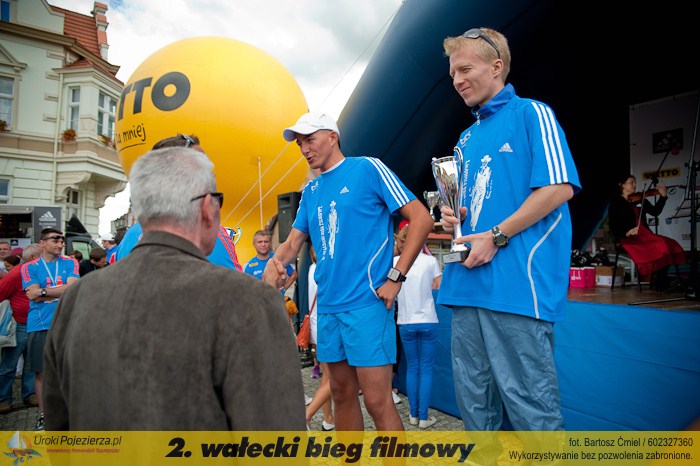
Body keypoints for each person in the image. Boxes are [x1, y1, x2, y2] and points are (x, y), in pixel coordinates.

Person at [43, 146, 306, 430]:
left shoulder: (77, 298)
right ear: (208, 209)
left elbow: (58, 427)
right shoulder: (249, 300)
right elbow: (276, 439)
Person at [438, 27, 580, 433]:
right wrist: (453, 218)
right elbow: (475, 207)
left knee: (532, 410)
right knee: (475, 407)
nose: (457, 80)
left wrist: (496, 235)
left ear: (496, 66)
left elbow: (559, 188)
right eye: (452, 74)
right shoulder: (466, 137)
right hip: (465, 284)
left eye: (465, 69)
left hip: (516, 287)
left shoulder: (532, 113)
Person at [263, 111, 433, 431]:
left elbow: (421, 218)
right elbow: (292, 243)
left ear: (332, 137)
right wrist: (273, 266)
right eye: (300, 144)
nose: (304, 149)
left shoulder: (367, 168)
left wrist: (396, 277)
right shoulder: (311, 191)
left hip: (366, 304)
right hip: (328, 309)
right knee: (341, 395)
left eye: (310, 140)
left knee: (377, 401)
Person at [115, 134, 243, 272]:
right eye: (203, 167)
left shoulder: (130, 236)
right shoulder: (207, 232)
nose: (213, 175)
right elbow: (236, 283)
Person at [21, 228, 80, 430]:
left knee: (68, 370)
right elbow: (32, 295)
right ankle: (44, 415)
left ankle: (69, 413)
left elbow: (72, 288)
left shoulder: (71, 262)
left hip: (67, 322)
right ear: (43, 243)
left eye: (62, 240)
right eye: (55, 240)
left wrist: (43, 291)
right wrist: (58, 291)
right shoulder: (29, 267)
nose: (60, 244)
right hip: (40, 324)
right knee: (42, 373)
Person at [393, 224, 442, 429]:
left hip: (406, 321)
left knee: (413, 368)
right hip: (428, 319)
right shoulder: (431, 261)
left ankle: (413, 415)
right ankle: (423, 417)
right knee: (426, 369)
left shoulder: (395, 262)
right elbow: (438, 285)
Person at [608, 174, 685, 290]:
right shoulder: (616, 202)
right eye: (631, 182)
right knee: (660, 245)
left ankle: (660, 280)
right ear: (622, 185)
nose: (635, 185)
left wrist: (663, 197)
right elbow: (613, 224)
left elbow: (655, 211)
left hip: (644, 234)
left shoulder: (640, 199)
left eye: (635, 182)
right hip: (629, 238)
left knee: (670, 244)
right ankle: (661, 283)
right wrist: (626, 233)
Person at [0, 244, 41, 415]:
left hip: (37, 324)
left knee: (32, 364)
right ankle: (3, 399)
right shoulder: (17, 273)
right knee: (9, 364)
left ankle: (29, 394)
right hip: (19, 324)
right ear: (32, 258)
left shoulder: (42, 271)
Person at [305, 244, 335, 431]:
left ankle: (328, 418)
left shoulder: (311, 268)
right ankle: (306, 416)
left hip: (318, 327)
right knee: (334, 378)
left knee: (327, 376)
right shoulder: (325, 268)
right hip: (326, 327)